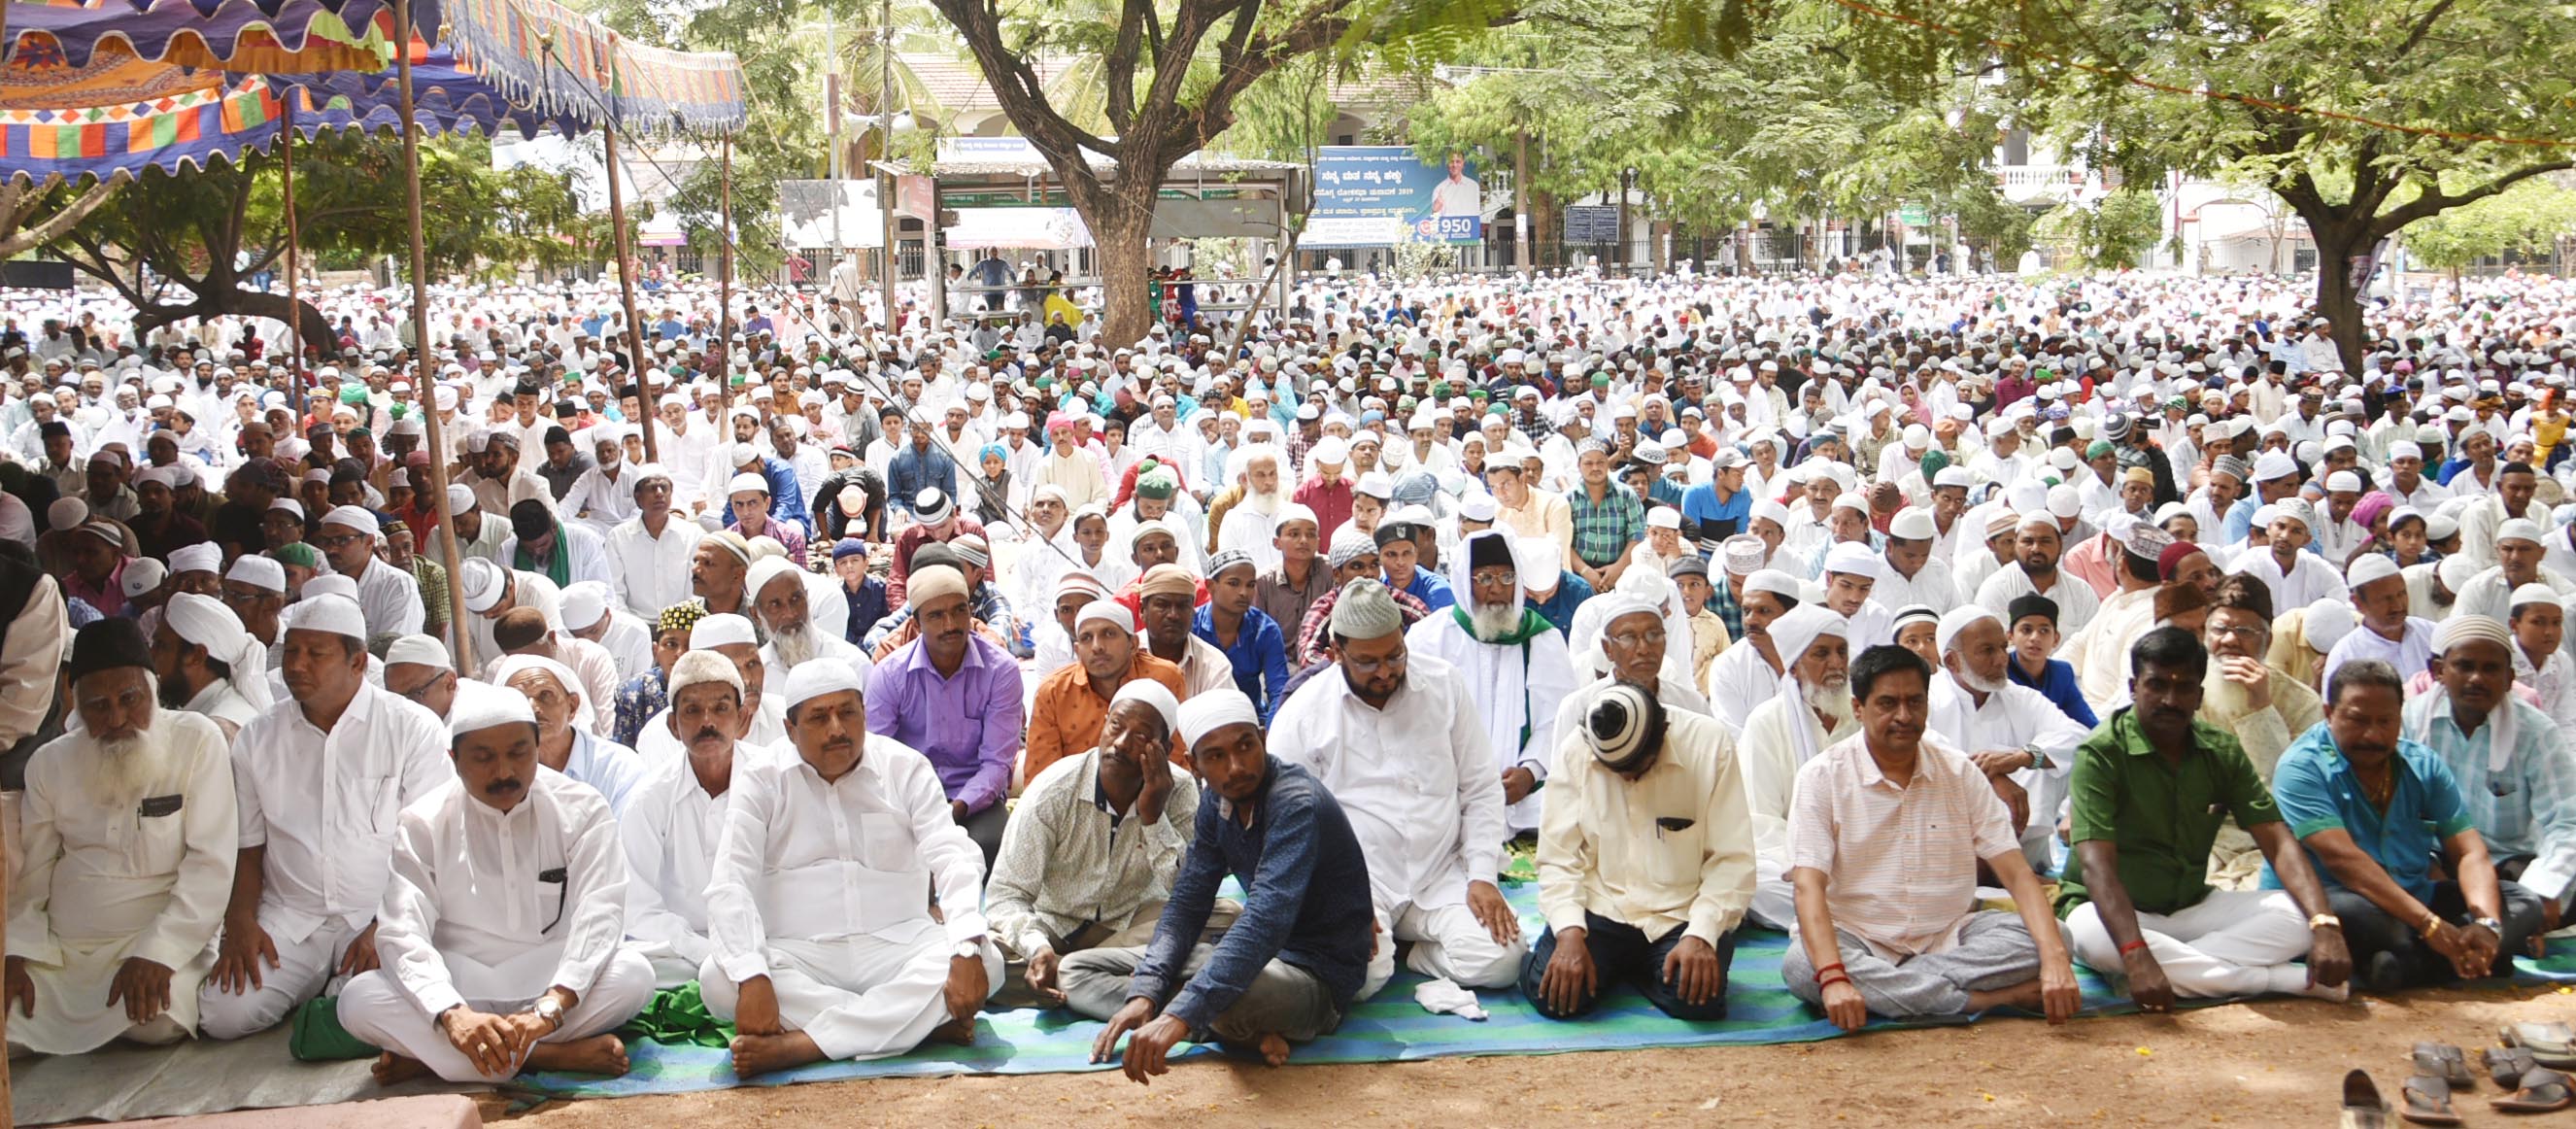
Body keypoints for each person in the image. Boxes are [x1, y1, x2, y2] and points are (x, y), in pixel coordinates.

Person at [334, 682, 654, 1085]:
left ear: (537, 747)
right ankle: (548, 1056)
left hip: (550, 979)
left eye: (518, 753)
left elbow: (600, 912)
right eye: (483, 758)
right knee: (357, 1000)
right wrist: (452, 1014)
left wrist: (553, 1004)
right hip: (459, 983)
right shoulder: (422, 822)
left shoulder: (583, 808)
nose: (504, 772)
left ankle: (443, 1059)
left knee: (634, 975)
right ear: (454, 759)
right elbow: (402, 931)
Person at [701, 660, 1001, 1075]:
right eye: (819, 718)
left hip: (898, 945)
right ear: (790, 730)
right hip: (799, 952)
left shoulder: (905, 767)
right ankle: (914, 1027)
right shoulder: (761, 779)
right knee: (718, 982)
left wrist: (965, 946)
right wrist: (754, 977)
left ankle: (805, 1045)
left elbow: (953, 855)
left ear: (865, 714)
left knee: (988, 961)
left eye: (848, 713)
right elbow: (730, 882)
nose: (837, 729)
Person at [1071, 689, 1373, 1078]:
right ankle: (1234, 1027)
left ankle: (1207, 1016)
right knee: (1077, 972)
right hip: (1243, 958)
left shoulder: (1296, 803)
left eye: (1245, 746)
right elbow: (1187, 905)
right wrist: (1146, 989)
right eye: (1215, 756)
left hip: (1313, 975)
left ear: (1263, 739)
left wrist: (1179, 1014)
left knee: (1232, 997)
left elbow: (1265, 920)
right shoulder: (1216, 802)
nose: (1236, 767)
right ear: (1193, 765)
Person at [1779, 645, 2082, 1028]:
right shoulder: (1822, 776)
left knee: (2058, 939)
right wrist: (1835, 976)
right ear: (1858, 708)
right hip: (1857, 936)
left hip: (1948, 935)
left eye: (1915, 702)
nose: (1904, 716)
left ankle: (1886, 991)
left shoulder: (1959, 772)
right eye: (1887, 703)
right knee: (1803, 965)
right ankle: (1988, 998)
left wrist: (2055, 961)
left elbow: (2018, 874)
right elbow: (1808, 886)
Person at [198, 595, 454, 1039]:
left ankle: (336, 992)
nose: (297, 665)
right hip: (292, 917)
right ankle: (323, 990)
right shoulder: (258, 737)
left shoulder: (411, 727)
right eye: (292, 651)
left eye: (316, 654)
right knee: (222, 1015)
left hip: (380, 914)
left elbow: (432, 843)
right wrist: (240, 921)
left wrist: (385, 925)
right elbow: (249, 847)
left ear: (358, 662)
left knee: (373, 1004)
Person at [2057, 627, 2353, 1007]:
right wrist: (2134, 952)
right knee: (2092, 937)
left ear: (2199, 696)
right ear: (2133, 688)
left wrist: (2324, 924)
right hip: (2115, 915)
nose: (2170, 700)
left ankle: (2169, 970)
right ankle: (2280, 979)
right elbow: (2096, 866)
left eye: (2184, 688)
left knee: (2299, 917)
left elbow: (2277, 840)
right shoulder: (2100, 754)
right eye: (2157, 685)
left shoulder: (2220, 751)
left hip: (2194, 907)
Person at [1269, 579, 1523, 995]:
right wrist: (1336, 897)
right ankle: (1389, 952)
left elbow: (1480, 787)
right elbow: (1288, 826)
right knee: (1358, 979)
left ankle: (1415, 954)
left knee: (1504, 959)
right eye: (1368, 662)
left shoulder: (1444, 684)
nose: (1385, 671)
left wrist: (1481, 875)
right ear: (1335, 653)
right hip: (1362, 879)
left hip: (1441, 869)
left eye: (1394, 655)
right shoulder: (1303, 714)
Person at [6, 619, 236, 1054]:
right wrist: (17, 951)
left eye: (129, 699)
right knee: (9, 1019)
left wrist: (159, 952)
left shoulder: (197, 740)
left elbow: (211, 864)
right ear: (76, 705)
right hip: (64, 954)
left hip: (160, 937)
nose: (115, 718)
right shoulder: (48, 764)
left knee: (155, 1020)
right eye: (98, 705)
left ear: (152, 689)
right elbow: (31, 875)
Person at [2268, 660, 2544, 993]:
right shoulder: (2301, 767)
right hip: (2338, 898)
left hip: (2413, 895)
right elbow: (2345, 862)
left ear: (2401, 716)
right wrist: (2429, 924)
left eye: (2385, 721)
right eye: (2358, 720)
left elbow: (2469, 851)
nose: (2372, 735)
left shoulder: (2423, 763)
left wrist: (2487, 924)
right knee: (2360, 915)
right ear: (2329, 713)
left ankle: (2411, 962)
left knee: (2523, 901)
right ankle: (2455, 957)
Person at [1524, 680, 1752, 1020]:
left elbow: (1731, 859)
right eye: (1616, 772)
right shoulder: (1577, 749)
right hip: (1603, 908)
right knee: (1553, 996)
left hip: (1680, 913)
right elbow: (1558, 857)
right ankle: (1629, 968)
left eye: (1636, 769)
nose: (1627, 780)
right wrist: (1569, 932)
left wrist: (1702, 934)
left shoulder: (1709, 745)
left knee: (1697, 1001)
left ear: (1663, 735)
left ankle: (1630, 969)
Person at [989, 681, 1203, 1009]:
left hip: (1129, 929)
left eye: (1141, 736)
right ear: (1104, 725)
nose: (1121, 743)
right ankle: (1122, 981)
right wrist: (1037, 948)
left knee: (1221, 916)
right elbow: (1006, 895)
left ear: (1164, 747)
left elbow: (1186, 890)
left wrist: (1153, 817)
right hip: (1053, 927)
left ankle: (1077, 980)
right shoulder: (1055, 789)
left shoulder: (1179, 789)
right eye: (1115, 726)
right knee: (979, 959)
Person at [2401, 614, 2576, 931]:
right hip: (2432, 862)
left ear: (2509, 678)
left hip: (2509, 866)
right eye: (2464, 666)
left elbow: (2565, 822)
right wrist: (2426, 864)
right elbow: (2395, 813)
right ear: (2439, 671)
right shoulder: (2411, 721)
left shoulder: (2536, 732)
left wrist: (2543, 890)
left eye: (2491, 669)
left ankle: (2477, 935)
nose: (2476, 679)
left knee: (2535, 899)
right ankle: (2491, 936)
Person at [1406, 530, 1578, 837]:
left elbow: (1560, 718)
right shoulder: (1429, 638)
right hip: (1446, 794)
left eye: (1507, 577)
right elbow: (1413, 719)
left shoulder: (1542, 639)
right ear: (1464, 581)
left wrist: (1530, 771)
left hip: (1525, 804)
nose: (1497, 588)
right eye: (1485, 578)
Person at [864, 564, 1025, 865]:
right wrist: (918, 810)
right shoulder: (889, 674)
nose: (950, 624)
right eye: (936, 615)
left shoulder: (1000, 670)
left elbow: (996, 763)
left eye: (959, 611)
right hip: (906, 799)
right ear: (916, 623)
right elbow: (878, 759)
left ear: (971, 612)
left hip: (974, 799)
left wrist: (958, 808)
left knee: (992, 845)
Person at [1924, 606, 2091, 872]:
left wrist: (2024, 757)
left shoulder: (2019, 697)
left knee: (2049, 761)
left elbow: (2080, 739)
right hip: (1947, 844)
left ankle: (2020, 870)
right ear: (1952, 661)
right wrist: (1988, 777)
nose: (2002, 659)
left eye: (2003, 647)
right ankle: (1995, 874)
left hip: (2020, 842)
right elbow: (1919, 744)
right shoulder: (1927, 696)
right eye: (1987, 650)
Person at [621, 651, 752, 987]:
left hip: (763, 939)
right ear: (673, 726)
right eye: (692, 710)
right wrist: (704, 952)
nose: (707, 722)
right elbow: (638, 907)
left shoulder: (772, 781)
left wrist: (748, 954)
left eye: (721, 708)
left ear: (741, 719)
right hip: (681, 951)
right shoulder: (649, 799)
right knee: (631, 970)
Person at [1737, 604, 1858, 928]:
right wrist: (1810, 864)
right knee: (1755, 884)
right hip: (1794, 858)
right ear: (1793, 667)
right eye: (1821, 654)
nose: (1837, 664)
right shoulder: (1766, 722)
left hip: (1864, 852)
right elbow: (1761, 821)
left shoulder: (1865, 713)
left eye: (1842, 652)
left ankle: (1836, 913)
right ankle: (1854, 914)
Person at [150, 592, 271, 739]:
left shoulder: (216, 729)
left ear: (196, 656)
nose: (151, 654)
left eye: (161, 645)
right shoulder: (207, 711)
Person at [1195, 550, 1292, 720]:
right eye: (1233, 583)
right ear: (1210, 585)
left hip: (1248, 719)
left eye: (1250, 585)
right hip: (1198, 719)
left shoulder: (1266, 630)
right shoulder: (1191, 625)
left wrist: (1272, 730)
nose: (1244, 593)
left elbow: (1279, 691)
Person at [316, 505, 424, 639]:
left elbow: (394, 644)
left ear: (369, 542)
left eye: (342, 540)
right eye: (326, 541)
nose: (331, 550)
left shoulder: (397, 583)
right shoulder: (326, 586)